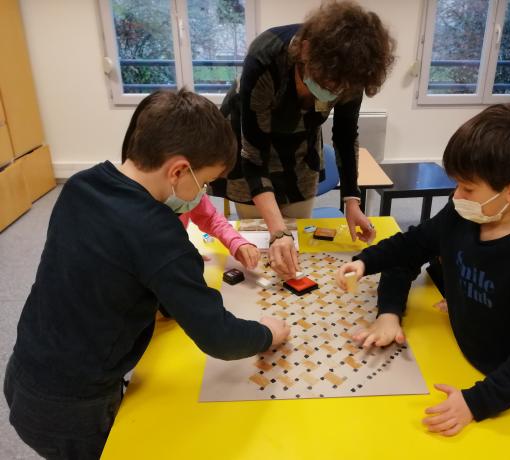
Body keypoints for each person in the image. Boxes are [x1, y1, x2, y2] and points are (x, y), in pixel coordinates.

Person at [4, 89, 290, 459]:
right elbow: (219, 338)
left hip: (24, 372)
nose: (200, 194)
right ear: (177, 171)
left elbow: (109, 268)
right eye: (203, 183)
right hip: (74, 409)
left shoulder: (82, 184)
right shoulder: (160, 236)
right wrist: (268, 333)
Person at [336, 103, 510, 443]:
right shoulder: (464, 215)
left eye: (467, 187)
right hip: (461, 359)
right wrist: (365, 263)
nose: (455, 196)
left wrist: (475, 403)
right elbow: (412, 245)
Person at [211, 0, 396, 280]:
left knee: (297, 238)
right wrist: (276, 231)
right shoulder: (265, 56)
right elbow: (254, 156)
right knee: (261, 238)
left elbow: (346, 137)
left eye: (340, 90)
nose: (333, 94)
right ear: (306, 53)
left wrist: (352, 200)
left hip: (299, 147)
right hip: (248, 142)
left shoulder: (352, 70)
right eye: (327, 84)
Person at [121, 100, 260, 271]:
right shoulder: (133, 220)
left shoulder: (182, 190)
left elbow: (210, 217)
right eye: (203, 183)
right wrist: (179, 257)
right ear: (178, 172)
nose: (203, 191)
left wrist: (236, 242)